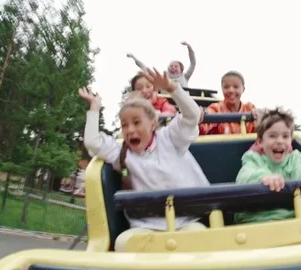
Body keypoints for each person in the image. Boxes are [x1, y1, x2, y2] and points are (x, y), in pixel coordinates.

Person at [79, 68, 209, 252]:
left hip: (185, 220)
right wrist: (94, 107)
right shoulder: (122, 153)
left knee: (202, 239)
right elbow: (92, 142)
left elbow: (192, 115)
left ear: (153, 123)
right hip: (147, 226)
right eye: (124, 125)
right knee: (124, 243)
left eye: (136, 122)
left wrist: (172, 87)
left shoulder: (170, 138)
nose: (130, 129)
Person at [234, 107, 301, 224]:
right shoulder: (253, 158)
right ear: (260, 142)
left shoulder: (292, 160)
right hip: (252, 221)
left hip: (288, 221)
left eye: (285, 136)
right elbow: (244, 176)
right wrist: (263, 177)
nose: (280, 141)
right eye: (273, 136)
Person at [199, 71, 259, 135]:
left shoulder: (250, 108)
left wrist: (262, 117)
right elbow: (203, 129)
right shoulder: (215, 108)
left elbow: (261, 131)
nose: (231, 90)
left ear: (243, 89)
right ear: (222, 89)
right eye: (226, 87)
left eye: (236, 87)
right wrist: (199, 116)